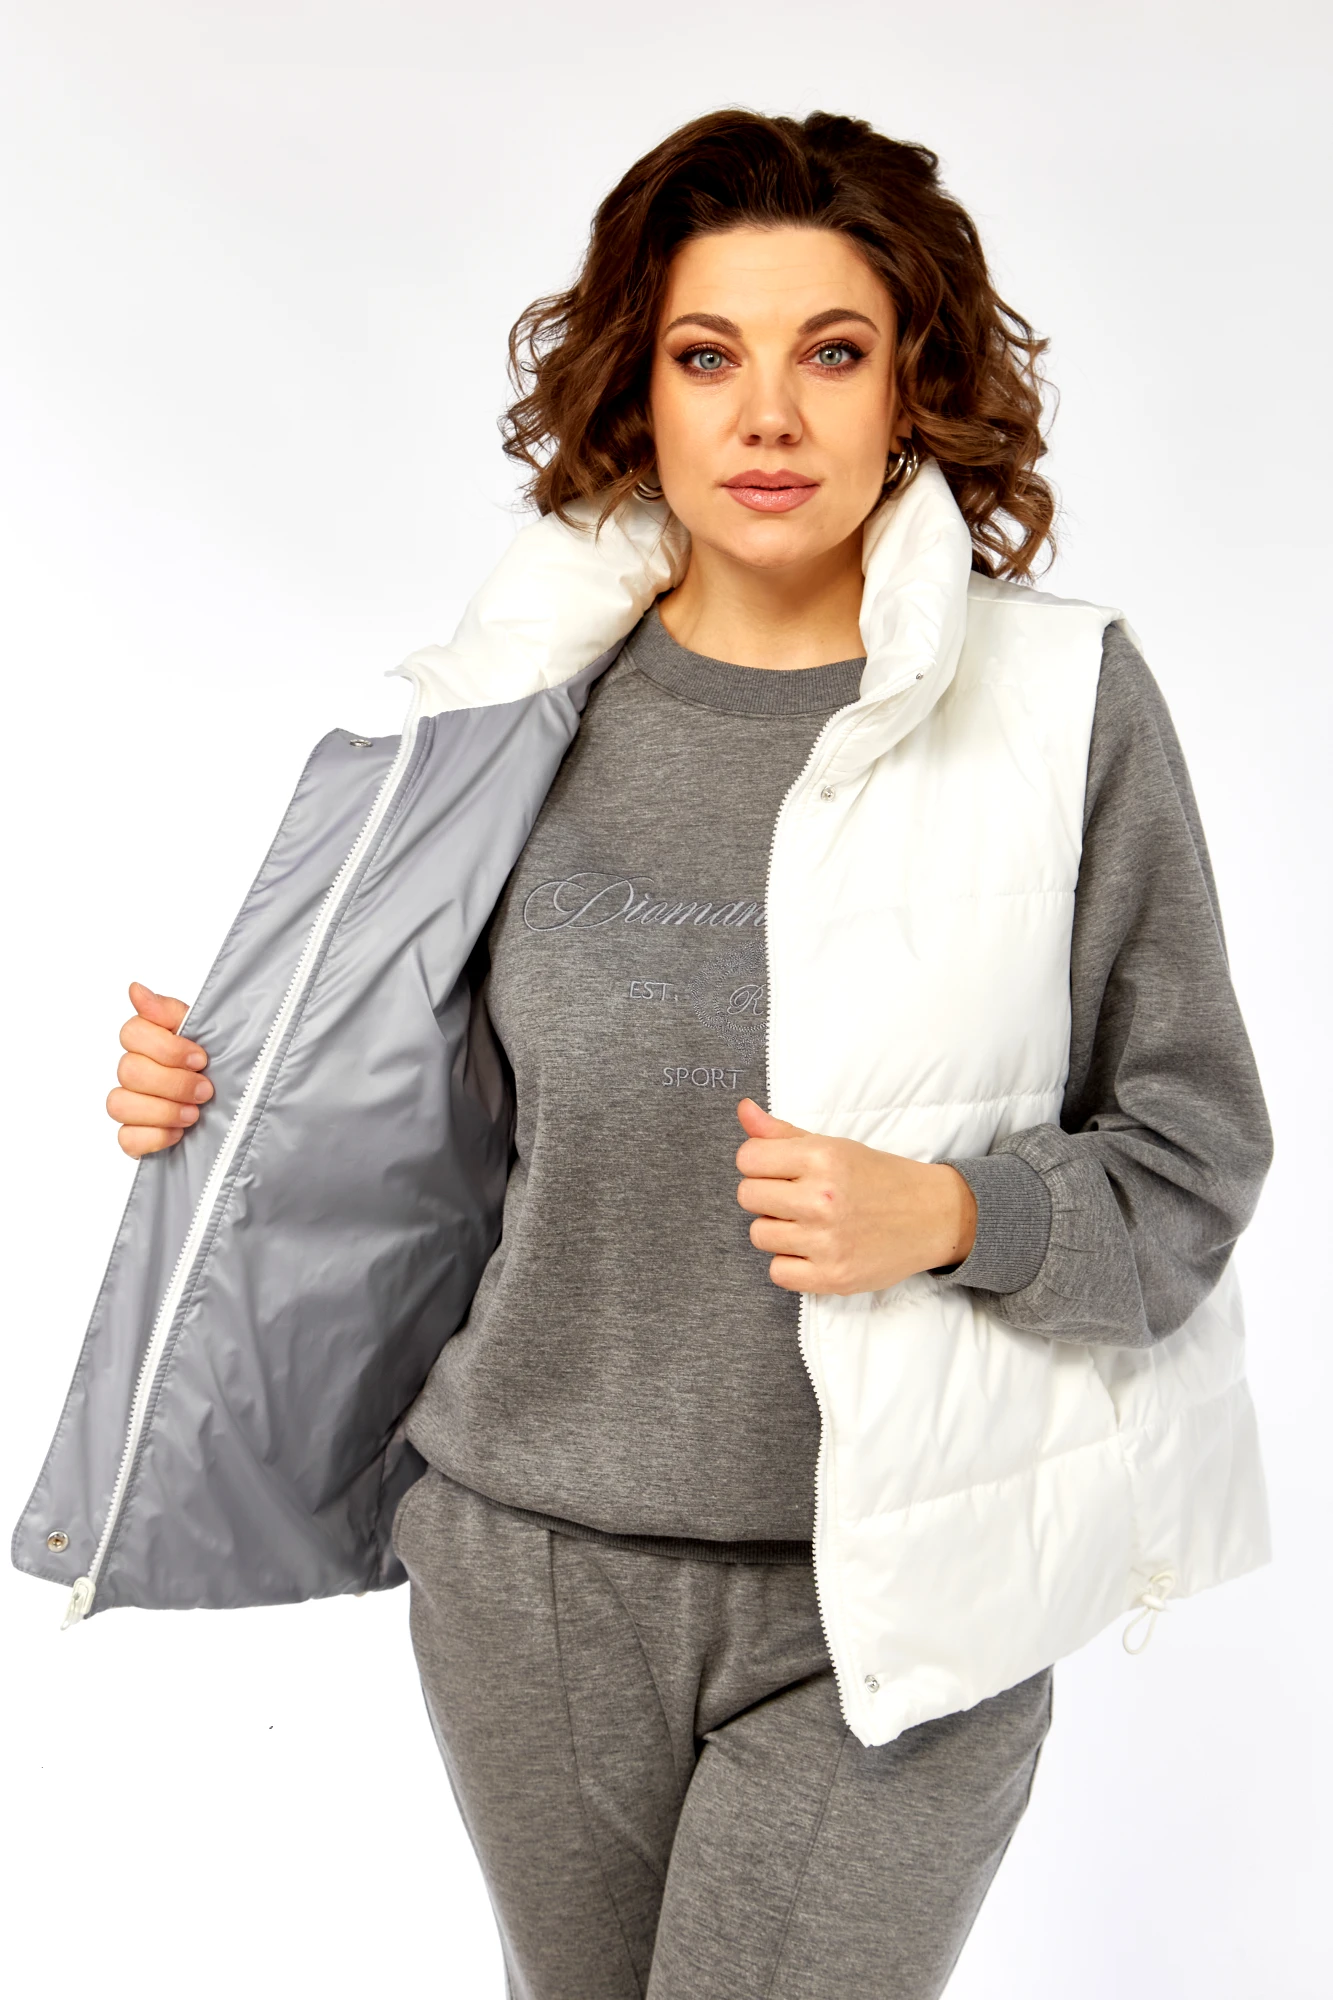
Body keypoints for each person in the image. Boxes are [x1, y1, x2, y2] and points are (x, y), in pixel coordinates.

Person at [16, 111, 1273, 1999]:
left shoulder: (1061, 709)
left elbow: (1194, 1153)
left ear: (914, 385)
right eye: (707, 355)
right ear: (640, 386)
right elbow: (436, 1130)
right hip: (530, 1577)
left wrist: (954, 1213)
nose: (768, 415)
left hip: (894, 1610)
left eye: (831, 352)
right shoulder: (502, 711)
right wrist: (218, 1099)